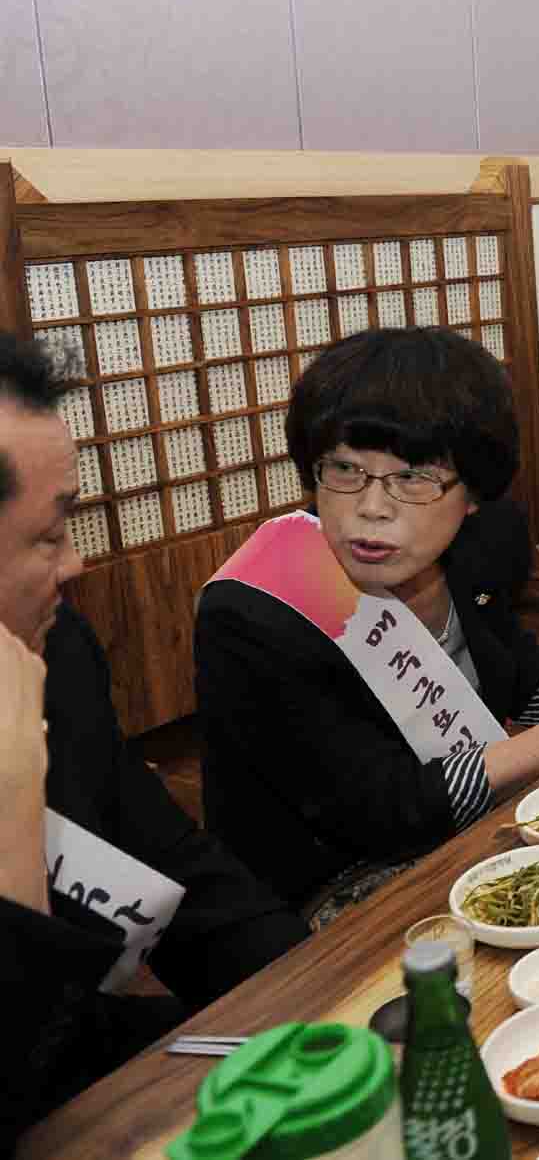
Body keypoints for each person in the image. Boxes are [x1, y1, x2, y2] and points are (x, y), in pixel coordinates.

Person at [198, 328, 539, 918]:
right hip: (336, 889)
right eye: (343, 469)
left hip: (467, 831)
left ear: (472, 495)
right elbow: (384, 812)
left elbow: (521, 670)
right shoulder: (255, 612)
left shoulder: (481, 542)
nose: (370, 508)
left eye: (412, 478)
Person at [0, 335, 307, 1149]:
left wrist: (314, 985)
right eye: (47, 536)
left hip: (88, 1048)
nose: (77, 563)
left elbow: (169, 860)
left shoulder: (59, 650)